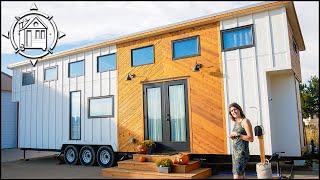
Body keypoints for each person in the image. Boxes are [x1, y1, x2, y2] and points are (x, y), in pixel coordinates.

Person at [228, 103, 254, 179]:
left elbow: (251, 138)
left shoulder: (245, 121)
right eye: (231, 111)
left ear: (239, 109)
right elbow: (239, 136)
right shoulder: (236, 122)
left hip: (242, 153)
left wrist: (238, 134)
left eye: (235, 109)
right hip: (236, 154)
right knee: (240, 176)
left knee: (237, 176)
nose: (233, 112)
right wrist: (234, 136)